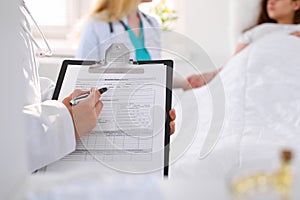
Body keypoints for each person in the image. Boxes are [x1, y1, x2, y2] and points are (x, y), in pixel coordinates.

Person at [20, 1, 176, 173]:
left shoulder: (151, 23)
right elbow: (84, 77)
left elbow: (30, 91)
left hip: (119, 116)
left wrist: (150, 128)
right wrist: (67, 118)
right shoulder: (96, 25)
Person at [77, 0, 219, 90]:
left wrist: (186, 82)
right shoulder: (97, 25)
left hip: (145, 107)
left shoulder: (151, 23)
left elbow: (154, 74)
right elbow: (81, 75)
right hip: (108, 110)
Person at [186, 0, 300, 88]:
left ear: (296, 4)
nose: (271, 1)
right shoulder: (257, 32)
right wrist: (209, 77)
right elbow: (235, 64)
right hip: (260, 79)